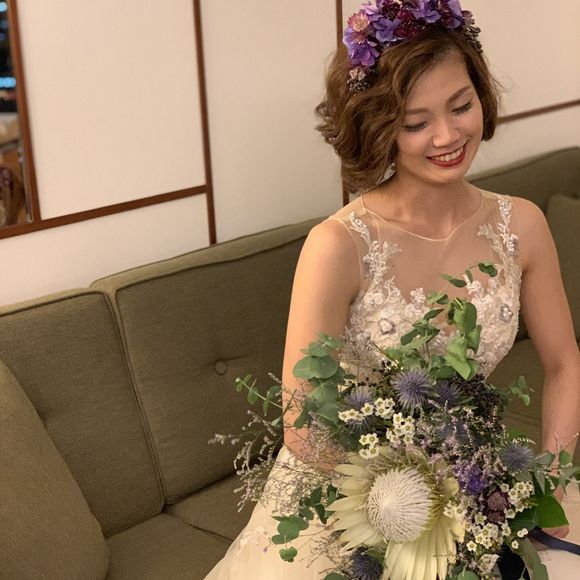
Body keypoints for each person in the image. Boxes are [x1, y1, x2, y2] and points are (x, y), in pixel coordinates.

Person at [206, 1, 580, 578]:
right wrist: (409, 517)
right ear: (379, 128)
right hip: (345, 505)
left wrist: (547, 484)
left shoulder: (522, 225)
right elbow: (304, 428)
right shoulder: (338, 245)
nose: (448, 135)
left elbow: (563, 363)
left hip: (471, 493)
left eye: (461, 106)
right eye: (415, 122)